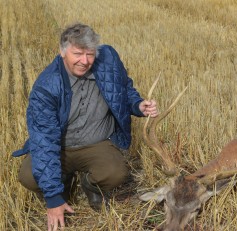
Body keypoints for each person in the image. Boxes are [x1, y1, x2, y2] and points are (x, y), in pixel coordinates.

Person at [12, 22, 158, 231]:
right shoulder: (46, 86)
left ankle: (91, 186)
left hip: (96, 143)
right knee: (28, 176)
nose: (85, 61)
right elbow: (45, 142)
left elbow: (123, 88)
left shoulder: (108, 58)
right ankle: (64, 181)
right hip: (60, 146)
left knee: (116, 173)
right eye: (78, 54)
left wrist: (137, 105)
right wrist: (53, 199)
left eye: (90, 54)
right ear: (62, 52)